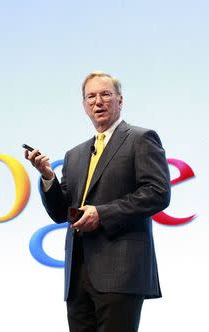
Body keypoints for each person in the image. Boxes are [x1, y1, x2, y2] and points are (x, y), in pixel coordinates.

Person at [25, 71, 171, 332]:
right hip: (78, 275)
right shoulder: (75, 154)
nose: (98, 102)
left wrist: (102, 214)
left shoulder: (141, 138)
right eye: (91, 97)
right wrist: (48, 177)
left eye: (105, 94)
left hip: (121, 271)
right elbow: (62, 212)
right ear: (84, 106)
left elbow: (157, 192)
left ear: (120, 100)